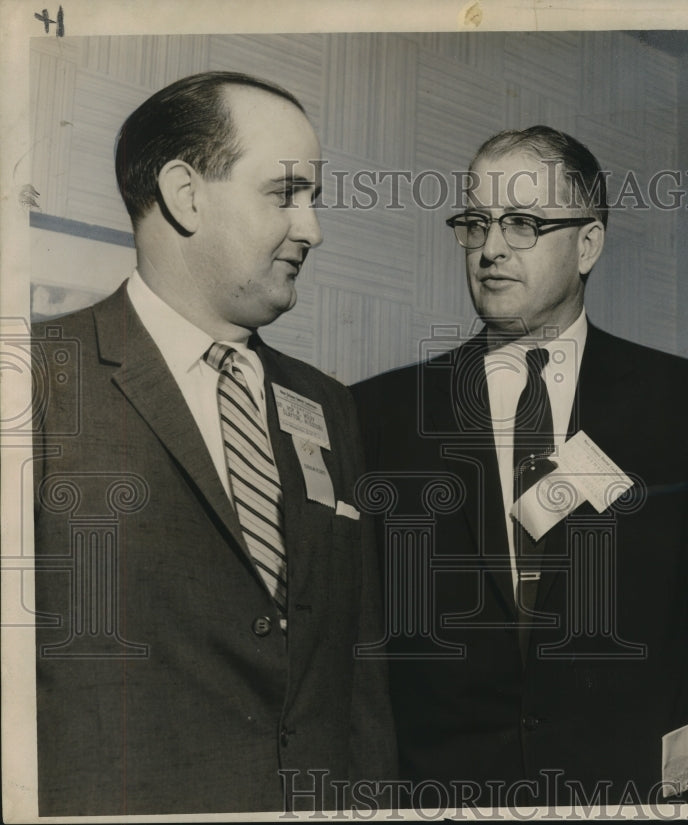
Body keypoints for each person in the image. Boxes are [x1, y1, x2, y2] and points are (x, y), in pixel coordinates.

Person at [352, 126, 688, 808]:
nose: (491, 248)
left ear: (588, 242)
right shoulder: (380, 412)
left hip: (633, 789)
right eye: (475, 223)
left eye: (523, 223)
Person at [32, 71, 396, 816]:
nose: (313, 228)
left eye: (314, 198)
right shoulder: (35, 382)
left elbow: (359, 670)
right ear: (185, 193)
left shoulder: (329, 406)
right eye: (284, 193)